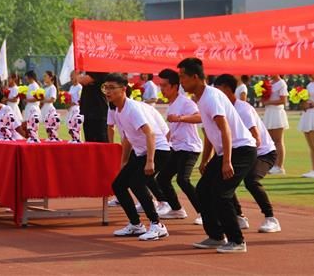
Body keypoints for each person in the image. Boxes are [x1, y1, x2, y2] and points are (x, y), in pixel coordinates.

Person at [177, 58, 257, 253]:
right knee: (203, 189)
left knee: (222, 194)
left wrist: (227, 161)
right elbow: (210, 134)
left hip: (241, 149)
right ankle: (216, 236)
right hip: (227, 151)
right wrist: (206, 160)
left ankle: (237, 241)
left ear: (195, 77)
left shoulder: (211, 97)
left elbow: (225, 129)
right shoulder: (201, 98)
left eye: (183, 77)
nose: (181, 82)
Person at [105, 73, 171, 241]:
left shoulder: (132, 108)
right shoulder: (117, 110)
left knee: (137, 183)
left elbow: (150, 133)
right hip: (140, 152)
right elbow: (127, 138)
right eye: (106, 88)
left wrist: (150, 161)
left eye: (112, 88)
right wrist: (124, 162)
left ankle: (157, 225)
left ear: (124, 90)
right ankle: (135, 225)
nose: (108, 91)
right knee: (118, 185)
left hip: (158, 150)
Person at [213, 74, 281, 234]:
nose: (215, 95)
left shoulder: (243, 109)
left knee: (251, 180)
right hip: (244, 152)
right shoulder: (223, 109)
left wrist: (244, 161)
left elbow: (256, 138)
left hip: (264, 152)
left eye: (218, 91)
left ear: (228, 90)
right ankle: (239, 216)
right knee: (225, 177)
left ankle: (271, 218)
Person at [155, 69, 203, 224]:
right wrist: (165, 139)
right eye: (160, 86)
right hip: (177, 148)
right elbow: (174, 128)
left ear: (175, 86)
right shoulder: (172, 104)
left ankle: (204, 213)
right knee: (162, 179)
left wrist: (180, 118)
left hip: (190, 147)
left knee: (183, 179)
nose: (161, 89)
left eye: (164, 86)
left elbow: (199, 117)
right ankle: (177, 209)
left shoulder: (185, 102)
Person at [262, 75, 289, 174]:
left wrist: (269, 102)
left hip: (277, 112)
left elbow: (283, 100)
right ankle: (273, 164)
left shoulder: (281, 83)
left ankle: (280, 166)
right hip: (269, 112)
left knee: (278, 140)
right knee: (271, 141)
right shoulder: (269, 83)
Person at [79, 72, 109, 142]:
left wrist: (78, 73)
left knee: (101, 140)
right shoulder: (87, 71)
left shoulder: (99, 70)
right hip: (88, 111)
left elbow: (83, 80)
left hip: (99, 112)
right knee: (89, 140)